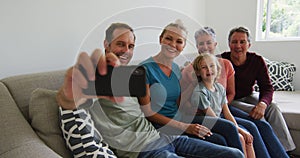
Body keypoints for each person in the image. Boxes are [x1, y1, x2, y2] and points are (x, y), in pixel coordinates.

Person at [57, 22, 244, 158]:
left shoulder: (133, 76)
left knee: (234, 154)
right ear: (106, 44)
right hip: (143, 151)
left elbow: (153, 110)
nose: (126, 51)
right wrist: (68, 97)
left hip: (163, 137)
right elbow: (70, 100)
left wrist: (193, 83)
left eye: (130, 46)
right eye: (120, 44)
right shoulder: (96, 78)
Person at [138, 20, 244, 154]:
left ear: (183, 46)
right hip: (163, 126)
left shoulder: (176, 69)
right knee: (222, 142)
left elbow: (179, 102)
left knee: (228, 128)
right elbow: (147, 112)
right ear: (161, 39)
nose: (173, 45)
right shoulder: (144, 69)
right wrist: (186, 127)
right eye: (168, 39)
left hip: (181, 119)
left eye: (179, 41)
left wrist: (194, 84)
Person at [182, 26, 289, 158]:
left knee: (267, 114)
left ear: (215, 44)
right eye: (201, 44)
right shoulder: (192, 70)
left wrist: (223, 105)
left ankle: (283, 154)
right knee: (250, 126)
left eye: (209, 43)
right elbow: (183, 102)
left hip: (226, 104)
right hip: (210, 111)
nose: (205, 46)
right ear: (196, 46)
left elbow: (231, 93)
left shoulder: (225, 63)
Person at [221, 26, 295, 154]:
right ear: (229, 44)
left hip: (249, 95)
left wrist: (262, 103)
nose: (238, 46)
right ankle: (269, 150)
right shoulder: (222, 60)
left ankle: (284, 150)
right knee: (255, 113)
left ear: (249, 44)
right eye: (234, 42)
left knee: (272, 107)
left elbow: (267, 87)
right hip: (231, 99)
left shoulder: (256, 60)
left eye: (242, 42)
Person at [191, 53, 255, 158]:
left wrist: (239, 128)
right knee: (240, 137)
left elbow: (227, 112)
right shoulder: (200, 92)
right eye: (204, 67)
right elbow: (213, 118)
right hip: (208, 122)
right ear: (198, 72)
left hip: (220, 120)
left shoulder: (219, 88)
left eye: (212, 66)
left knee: (248, 137)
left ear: (217, 69)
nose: (208, 69)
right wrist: (238, 131)